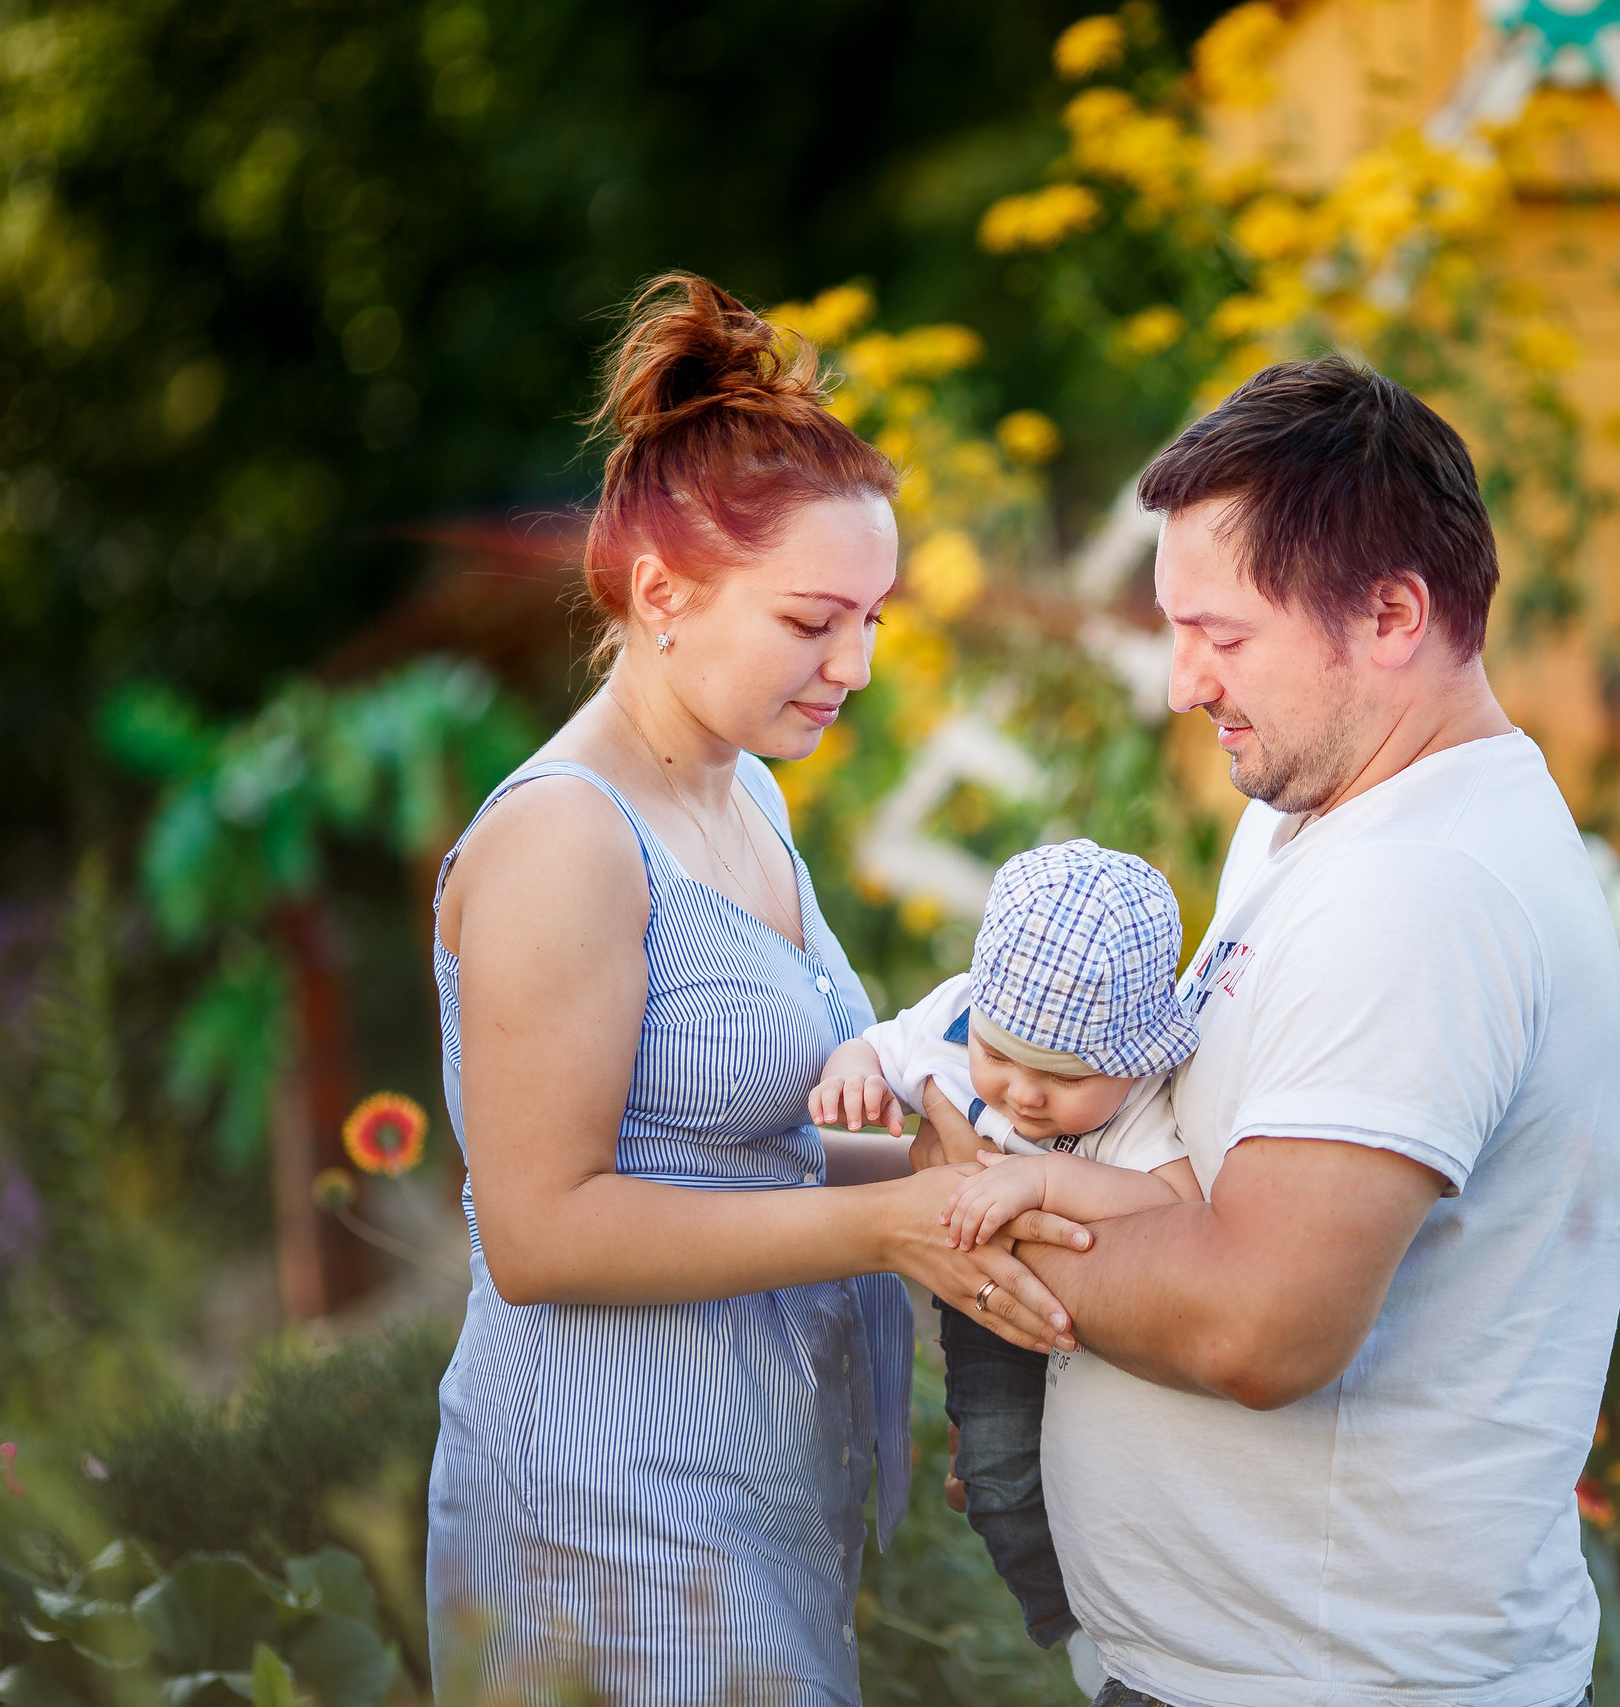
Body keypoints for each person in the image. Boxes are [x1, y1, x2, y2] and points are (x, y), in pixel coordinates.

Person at [424, 272, 1080, 1705]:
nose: (851, 663)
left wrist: (960, 1158)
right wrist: (893, 1221)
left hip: (747, 1493)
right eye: (811, 620)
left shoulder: (740, 794)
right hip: (604, 1508)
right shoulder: (566, 839)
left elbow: (752, 1134)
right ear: (663, 590)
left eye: (873, 621)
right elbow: (542, 1230)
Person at [963, 358, 1620, 1707]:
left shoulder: (1424, 889)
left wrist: (955, 1202)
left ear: (1391, 612)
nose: (1179, 683)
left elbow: (1255, 1322)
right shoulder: (1317, 826)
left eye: (1220, 632)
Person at [809, 839, 1201, 1685]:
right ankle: (1072, 1631)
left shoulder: (1135, 1104)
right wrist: (855, 1075)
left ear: (1130, 1060)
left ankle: (1123, 1623)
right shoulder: (956, 1018)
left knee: (1103, 1487)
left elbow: (1175, 1203)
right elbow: (877, 1044)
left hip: (1091, 1320)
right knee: (993, 1476)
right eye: (1002, 1056)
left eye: (1062, 1077)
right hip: (984, 1313)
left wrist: (1051, 1174)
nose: (1022, 1093)